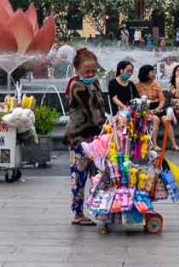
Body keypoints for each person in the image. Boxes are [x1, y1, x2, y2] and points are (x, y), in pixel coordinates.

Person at [65, 48, 105, 226]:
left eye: (93, 71)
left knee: (98, 175)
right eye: (86, 71)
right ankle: (78, 213)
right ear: (77, 70)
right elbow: (90, 111)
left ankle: (100, 209)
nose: (90, 74)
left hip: (95, 138)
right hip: (79, 138)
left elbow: (101, 107)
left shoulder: (95, 83)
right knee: (79, 176)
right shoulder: (77, 86)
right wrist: (105, 124)